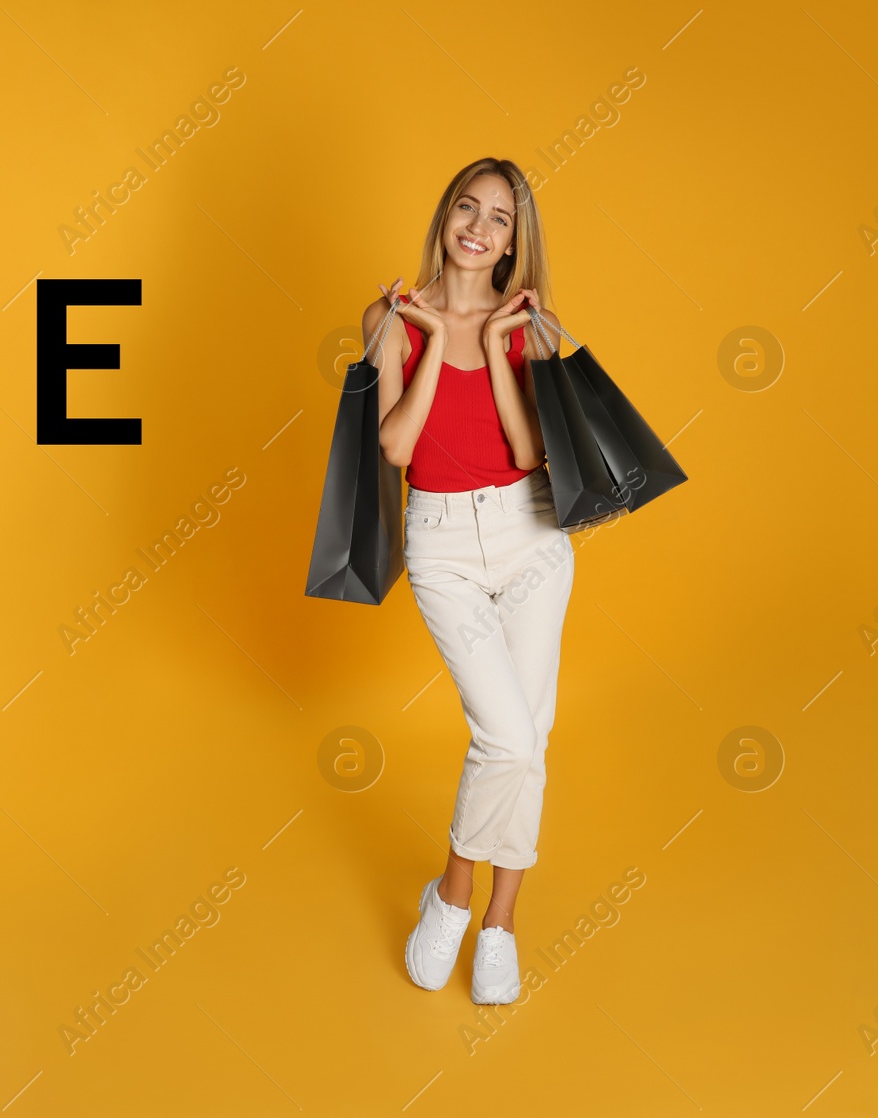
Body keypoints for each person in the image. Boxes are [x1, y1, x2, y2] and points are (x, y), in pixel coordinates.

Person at [360, 157, 576, 1004]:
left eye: (500, 220)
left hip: (530, 534)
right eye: (467, 208)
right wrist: (416, 334)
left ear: (515, 243)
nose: (479, 229)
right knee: (508, 739)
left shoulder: (529, 325)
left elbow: (530, 453)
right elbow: (396, 447)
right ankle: (453, 891)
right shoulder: (391, 316)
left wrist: (491, 345)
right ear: (445, 216)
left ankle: (497, 921)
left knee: (532, 738)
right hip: (443, 541)